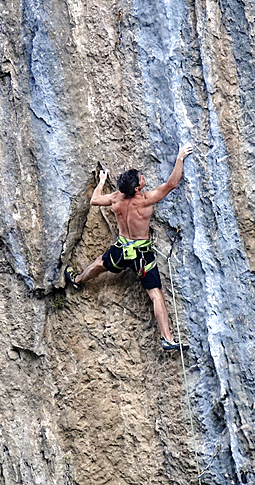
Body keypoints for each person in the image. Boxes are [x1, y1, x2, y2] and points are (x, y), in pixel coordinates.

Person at [65, 145, 194, 351]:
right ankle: (167, 339)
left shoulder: (116, 198)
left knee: (99, 263)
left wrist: (101, 182)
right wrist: (179, 158)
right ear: (136, 189)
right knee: (156, 295)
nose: (143, 178)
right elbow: (172, 184)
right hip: (142, 255)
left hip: (121, 250)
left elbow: (95, 200)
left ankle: (78, 280)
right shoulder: (144, 200)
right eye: (140, 179)